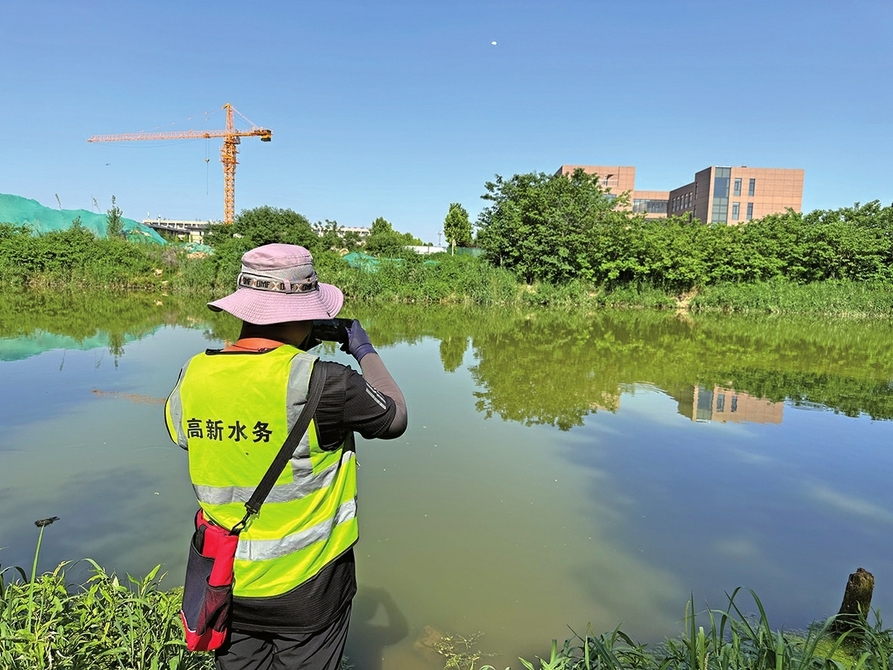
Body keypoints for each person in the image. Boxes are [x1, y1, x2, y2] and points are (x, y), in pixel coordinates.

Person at [164, 243, 408, 670]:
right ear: (306, 312)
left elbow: (183, 434)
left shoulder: (194, 373)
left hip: (225, 580)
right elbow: (394, 418)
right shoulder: (327, 382)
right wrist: (363, 349)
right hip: (309, 589)